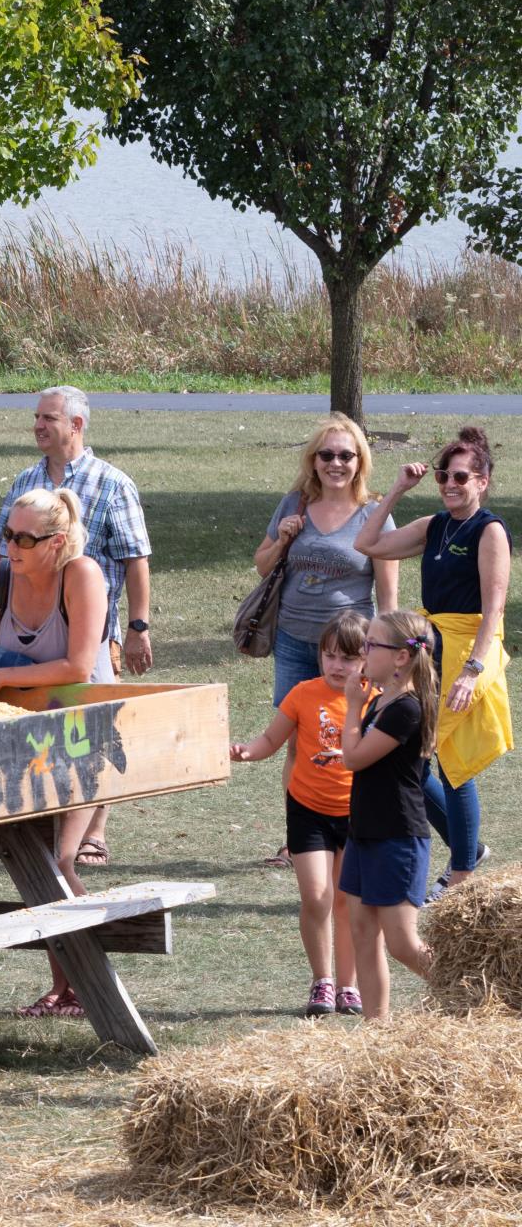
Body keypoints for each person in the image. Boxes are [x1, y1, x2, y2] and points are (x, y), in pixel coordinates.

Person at [0, 487, 112, 1017]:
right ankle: (65, 986)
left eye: (24, 538)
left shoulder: (82, 574)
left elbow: (76, 667)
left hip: (82, 733)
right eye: (8, 534)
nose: (12, 546)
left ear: (57, 541)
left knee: (61, 857)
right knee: (37, 860)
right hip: (18, 737)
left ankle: (86, 984)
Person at [0, 385, 152, 868]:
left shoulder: (112, 483)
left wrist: (138, 626)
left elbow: (135, 558)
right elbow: (3, 553)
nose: (38, 425)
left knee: (96, 729)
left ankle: (93, 834)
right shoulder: (25, 482)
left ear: (76, 425)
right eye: (36, 416)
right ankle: (49, 826)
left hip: (94, 627)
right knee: (43, 723)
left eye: (49, 418)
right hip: (34, 620)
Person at [354, 426, 511, 899]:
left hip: (466, 653)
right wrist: (398, 488)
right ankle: (469, 850)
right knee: (415, 759)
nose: (450, 484)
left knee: (454, 764)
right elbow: (368, 544)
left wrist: (473, 671)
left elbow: (495, 608)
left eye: (461, 476)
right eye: (444, 475)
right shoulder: (433, 525)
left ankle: (461, 873)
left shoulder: (490, 531)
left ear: (482, 481)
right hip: (429, 649)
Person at [250, 413, 398, 869]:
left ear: (360, 461)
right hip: (296, 640)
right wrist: (283, 541)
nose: (336, 463)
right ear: (313, 461)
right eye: (326, 454)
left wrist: (387, 652)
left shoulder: (375, 515)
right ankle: (299, 838)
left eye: (345, 455)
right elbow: (261, 563)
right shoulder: (294, 504)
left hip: (353, 653)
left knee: (355, 737)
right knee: (298, 738)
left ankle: (355, 827)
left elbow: (387, 592)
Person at [229, 613, 369, 1017]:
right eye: (329, 656)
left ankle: (349, 986)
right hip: (307, 810)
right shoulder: (303, 694)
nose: (337, 666)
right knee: (316, 897)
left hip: (357, 814)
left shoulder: (372, 697)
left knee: (346, 902)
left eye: (347, 658)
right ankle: (322, 981)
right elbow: (271, 739)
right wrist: (245, 752)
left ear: (366, 659)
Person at [338, 609, 439, 1021]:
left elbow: (354, 758)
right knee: (363, 933)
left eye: (371, 645)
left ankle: (470, 986)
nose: (363, 652)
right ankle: (376, 1030)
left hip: (397, 836)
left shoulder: (405, 709)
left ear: (400, 657)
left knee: (401, 943)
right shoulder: (384, 702)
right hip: (365, 832)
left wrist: (351, 707)